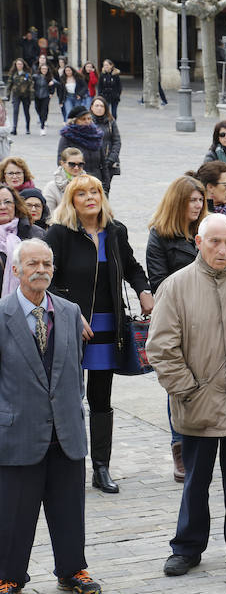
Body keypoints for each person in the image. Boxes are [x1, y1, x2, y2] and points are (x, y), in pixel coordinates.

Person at [147, 214, 226, 578]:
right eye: (215, 242)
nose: (223, 250)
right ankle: (187, 548)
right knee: (195, 483)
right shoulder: (175, 287)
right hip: (196, 407)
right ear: (199, 242)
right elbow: (160, 349)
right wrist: (190, 390)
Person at [0, 238, 103, 594]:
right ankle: (8, 575)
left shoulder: (70, 312)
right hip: (19, 431)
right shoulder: (1, 315)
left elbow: (73, 371)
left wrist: (74, 410)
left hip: (66, 430)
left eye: (46, 264)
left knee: (69, 508)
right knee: (14, 512)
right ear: (16, 271)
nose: (41, 270)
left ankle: (72, 570)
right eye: (32, 264)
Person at [44, 174, 153, 494]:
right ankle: (65, 463)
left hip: (109, 324)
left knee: (100, 398)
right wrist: (70, 314)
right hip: (70, 325)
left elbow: (132, 267)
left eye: (95, 192)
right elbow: (46, 277)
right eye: (82, 194)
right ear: (71, 201)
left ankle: (101, 467)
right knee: (66, 397)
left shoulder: (115, 231)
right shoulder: (59, 233)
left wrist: (144, 290)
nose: (90, 197)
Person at [146, 175, 207, 482]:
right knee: (179, 384)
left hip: (212, 317)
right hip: (179, 320)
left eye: (200, 200)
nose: (197, 206)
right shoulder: (160, 234)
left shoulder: (207, 230)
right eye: (192, 200)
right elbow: (158, 282)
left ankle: (205, 442)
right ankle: (179, 446)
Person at [0, 186, 45, 297]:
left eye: (8, 202)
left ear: (16, 205)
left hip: (30, 301)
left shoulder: (36, 234)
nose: (2, 207)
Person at [57, 106, 103, 183]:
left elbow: (103, 161)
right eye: (83, 119)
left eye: (89, 118)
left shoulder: (96, 135)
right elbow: (60, 160)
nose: (87, 121)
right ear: (75, 121)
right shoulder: (68, 136)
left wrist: (106, 182)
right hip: (76, 180)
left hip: (97, 179)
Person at [90, 96, 121, 195]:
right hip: (92, 164)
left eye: (102, 106)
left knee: (105, 191)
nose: (99, 108)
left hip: (108, 163)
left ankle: (105, 210)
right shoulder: (87, 122)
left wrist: (111, 158)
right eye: (97, 105)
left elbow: (117, 141)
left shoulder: (110, 122)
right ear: (91, 107)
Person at [44, 148, 84, 214]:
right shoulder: (51, 187)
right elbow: (48, 214)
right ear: (62, 163)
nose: (76, 167)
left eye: (80, 164)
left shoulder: (91, 184)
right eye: (72, 164)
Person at [8, 58, 33, 136]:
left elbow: (31, 85)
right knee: (15, 111)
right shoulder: (13, 74)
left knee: (26, 111)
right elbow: (9, 84)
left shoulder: (27, 74)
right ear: (15, 65)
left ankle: (27, 128)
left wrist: (32, 96)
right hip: (16, 95)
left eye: (21, 64)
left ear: (23, 65)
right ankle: (14, 128)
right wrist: (7, 95)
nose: (19, 65)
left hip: (25, 95)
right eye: (18, 64)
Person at [32, 62, 55, 136]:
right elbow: (32, 84)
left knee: (44, 110)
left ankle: (42, 127)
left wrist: (51, 93)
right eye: (43, 69)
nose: (44, 70)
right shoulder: (36, 76)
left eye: (45, 69)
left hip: (45, 96)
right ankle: (43, 119)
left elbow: (54, 86)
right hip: (37, 95)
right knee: (37, 108)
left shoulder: (50, 78)